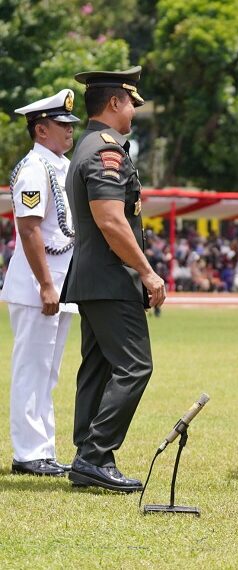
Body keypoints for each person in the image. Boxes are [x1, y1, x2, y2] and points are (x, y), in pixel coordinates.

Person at [62, 66, 166, 493]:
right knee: (135, 366)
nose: (133, 112)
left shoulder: (86, 146)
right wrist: (147, 271)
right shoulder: (106, 152)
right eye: (131, 103)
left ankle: (87, 455)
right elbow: (111, 220)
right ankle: (95, 455)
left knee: (98, 366)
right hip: (110, 278)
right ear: (113, 103)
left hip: (93, 277)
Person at [1, 89, 80, 477]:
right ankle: (29, 454)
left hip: (59, 286)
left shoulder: (59, 166)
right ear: (41, 129)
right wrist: (46, 285)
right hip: (39, 288)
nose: (70, 130)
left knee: (47, 372)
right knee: (32, 370)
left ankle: (42, 450)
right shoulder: (34, 168)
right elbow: (29, 229)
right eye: (62, 125)